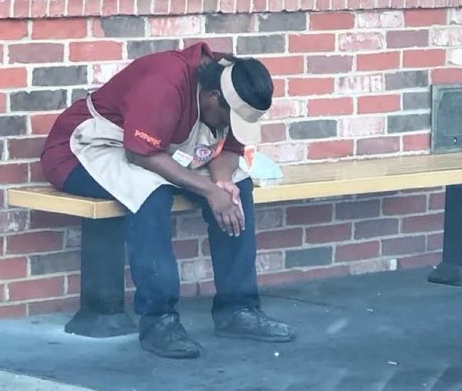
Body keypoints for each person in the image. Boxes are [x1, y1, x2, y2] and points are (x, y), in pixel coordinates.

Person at [41, 41, 295, 359]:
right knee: (151, 193)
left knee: (238, 188)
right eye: (228, 117)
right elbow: (140, 152)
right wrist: (208, 191)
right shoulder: (165, 80)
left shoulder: (230, 84)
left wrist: (222, 183)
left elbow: (229, 147)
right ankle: (159, 320)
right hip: (85, 147)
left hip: (150, 149)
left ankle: (238, 309)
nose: (231, 125)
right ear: (212, 97)